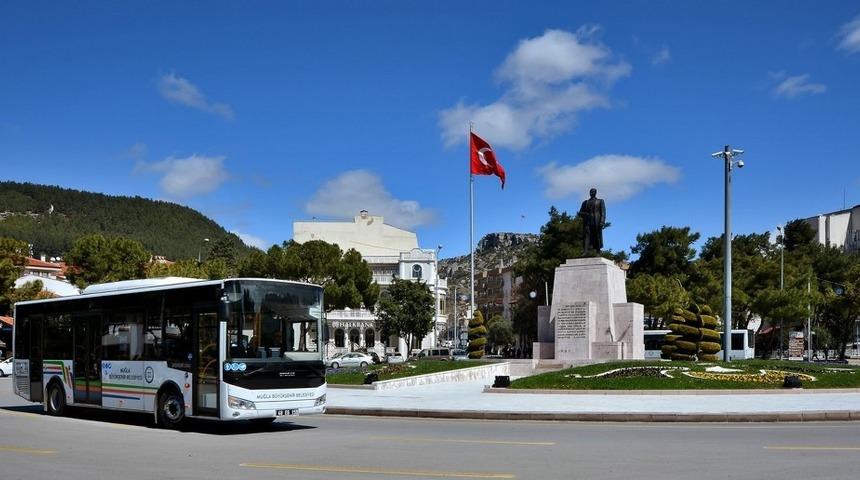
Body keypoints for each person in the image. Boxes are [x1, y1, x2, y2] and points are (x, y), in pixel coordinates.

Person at [577, 187, 606, 254]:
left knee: (597, 236)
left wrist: (602, 221)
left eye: (593, 192)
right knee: (587, 236)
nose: (592, 193)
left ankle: (598, 250)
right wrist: (585, 214)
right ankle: (585, 251)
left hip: (597, 221)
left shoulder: (600, 201)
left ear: (596, 193)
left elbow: (603, 212)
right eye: (591, 192)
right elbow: (580, 212)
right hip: (587, 221)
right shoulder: (585, 202)